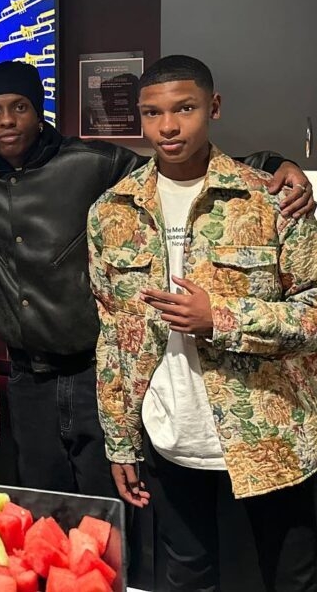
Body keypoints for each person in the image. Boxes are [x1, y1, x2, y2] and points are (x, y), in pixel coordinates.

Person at [0, 60, 313, 497]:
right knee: (43, 504)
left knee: (114, 509)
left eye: (20, 106)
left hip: (94, 373)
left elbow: (180, 164)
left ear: (40, 109)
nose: (7, 120)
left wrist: (279, 161)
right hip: (27, 379)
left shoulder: (94, 162)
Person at [88, 55, 317, 592]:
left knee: (291, 579)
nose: (167, 126)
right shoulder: (111, 210)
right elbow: (112, 336)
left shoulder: (271, 199)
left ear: (212, 107)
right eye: (152, 113)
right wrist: (120, 443)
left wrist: (221, 317)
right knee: (186, 578)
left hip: (271, 436)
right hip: (170, 436)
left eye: (184, 108)